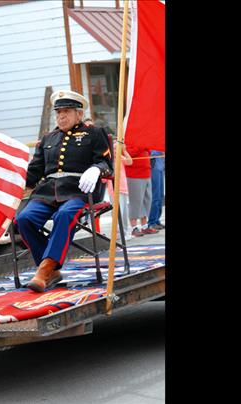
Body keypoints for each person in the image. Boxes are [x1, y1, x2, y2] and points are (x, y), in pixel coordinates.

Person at [16, 89, 113, 293]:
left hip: (79, 191)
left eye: (66, 111)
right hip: (47, 193)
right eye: (58, 112)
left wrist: (96, 169)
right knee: (23, 219)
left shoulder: (94, 133)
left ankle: (44, 271)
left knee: (65, 215)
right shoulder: (48, 139)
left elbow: (106, 163)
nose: (61, 116)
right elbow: (33, 173)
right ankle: (52, 267)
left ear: (79, 113)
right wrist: (12, 182)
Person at [125, 145, 158, 237]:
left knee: (147, 201)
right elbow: (129, 153)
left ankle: (144, 226)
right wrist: (142, 146)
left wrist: (144, 146)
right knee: (135, 201)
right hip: (134, 174)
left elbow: (149, 151)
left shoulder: (141, 142)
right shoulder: (127, 141)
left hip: (146, 173)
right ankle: (133, 228)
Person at [105, 141, 133, 240]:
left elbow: (130, 162)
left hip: (123, 189)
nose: (116, 151)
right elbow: (104, 179)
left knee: (123, 211)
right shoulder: (109, 161)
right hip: (113, 190)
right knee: (116, 212)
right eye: (114, 149)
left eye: (118, 149)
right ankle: (117, 232)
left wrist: (124, 151)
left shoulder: (120, 158)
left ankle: (124, 231)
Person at [148, 150, 165, 230]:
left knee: (160, 195)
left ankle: (156, 219)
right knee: (155, 195)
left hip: (160, 166)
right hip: (154, 166)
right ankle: (152, 222)